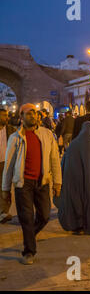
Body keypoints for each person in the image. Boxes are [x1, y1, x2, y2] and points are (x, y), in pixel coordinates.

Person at [1, 104, 62, 265]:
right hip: (23, 183)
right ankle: (29, 251)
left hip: (42, 182)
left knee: (45, 215)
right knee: (26, 218)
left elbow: (55, 159)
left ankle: (29, 236)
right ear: (21, 117)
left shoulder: (47, 134)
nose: (32, 116)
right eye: (28, 114)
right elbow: (9, 164)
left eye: (34, 113)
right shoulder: (15, 138)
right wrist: (5, 189)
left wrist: (57, 182)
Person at [0, 108, 16, 223]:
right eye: (3, 115)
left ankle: (4, 212)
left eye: (6, 115)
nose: (6, 117)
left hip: (6, 163)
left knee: (5, 188)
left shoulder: (11, 130)